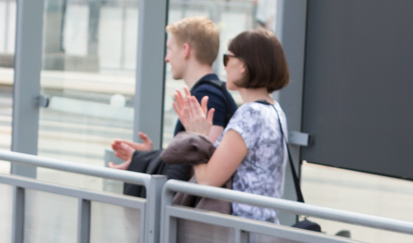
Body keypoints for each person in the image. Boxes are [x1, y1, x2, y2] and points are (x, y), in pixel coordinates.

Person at [171, 27, 290, 222]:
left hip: (239, 236)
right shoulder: (274, 110)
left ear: (243, 65)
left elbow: (208, 181)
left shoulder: (249, 114)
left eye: (227, 59)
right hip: (262, 230)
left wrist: (197, 135)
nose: (224, 67)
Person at [109, 16, 235, 168]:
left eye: (169, 49)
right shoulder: (212, 92)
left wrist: (145, 161)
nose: (166, 58)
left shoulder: (206, 97)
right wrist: (149, 156)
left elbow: (204, 162)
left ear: (185, 50)